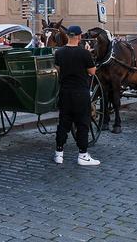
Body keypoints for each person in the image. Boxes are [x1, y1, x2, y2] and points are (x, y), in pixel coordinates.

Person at [52, 25, 101, 167]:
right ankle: (83, 155)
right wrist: (88, 55)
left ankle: (59, 154)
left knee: (63, 123)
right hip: (80, 92)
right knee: (82, 123)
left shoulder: (59, 52)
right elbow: (92, 72)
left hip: (65, 92)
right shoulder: (84, 54)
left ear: (68, 36)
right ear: (79, 37)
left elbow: (58, 69)